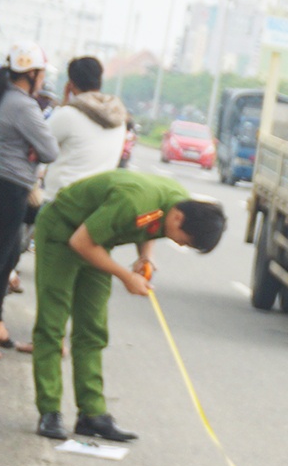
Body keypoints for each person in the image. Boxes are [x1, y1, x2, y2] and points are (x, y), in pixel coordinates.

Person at [31, 171, 225, 442]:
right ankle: (49, 410)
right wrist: (126, 276)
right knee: (53, 324)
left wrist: (145, 256)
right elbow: (80, 242)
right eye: (184, 240)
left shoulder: (174, 203)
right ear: (179, 218)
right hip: (63, 233)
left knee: (93, 329)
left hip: (97, 241)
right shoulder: (135, 200)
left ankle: (91, 413)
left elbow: (150, 223)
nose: (180, 244)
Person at [0, 44, 58, 358]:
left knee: (8, 255)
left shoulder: (0, 98)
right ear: (33, 74)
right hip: (9, 189)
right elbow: (50, 151)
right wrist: (33, 148)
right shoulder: (23, 106)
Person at [41, 57, 128, 204]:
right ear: (99, 81)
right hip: (95, 202)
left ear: (71, 85)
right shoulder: (119, 118)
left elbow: (39, 144)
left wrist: (64, 104)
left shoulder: (68, 114)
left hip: (60, 201)